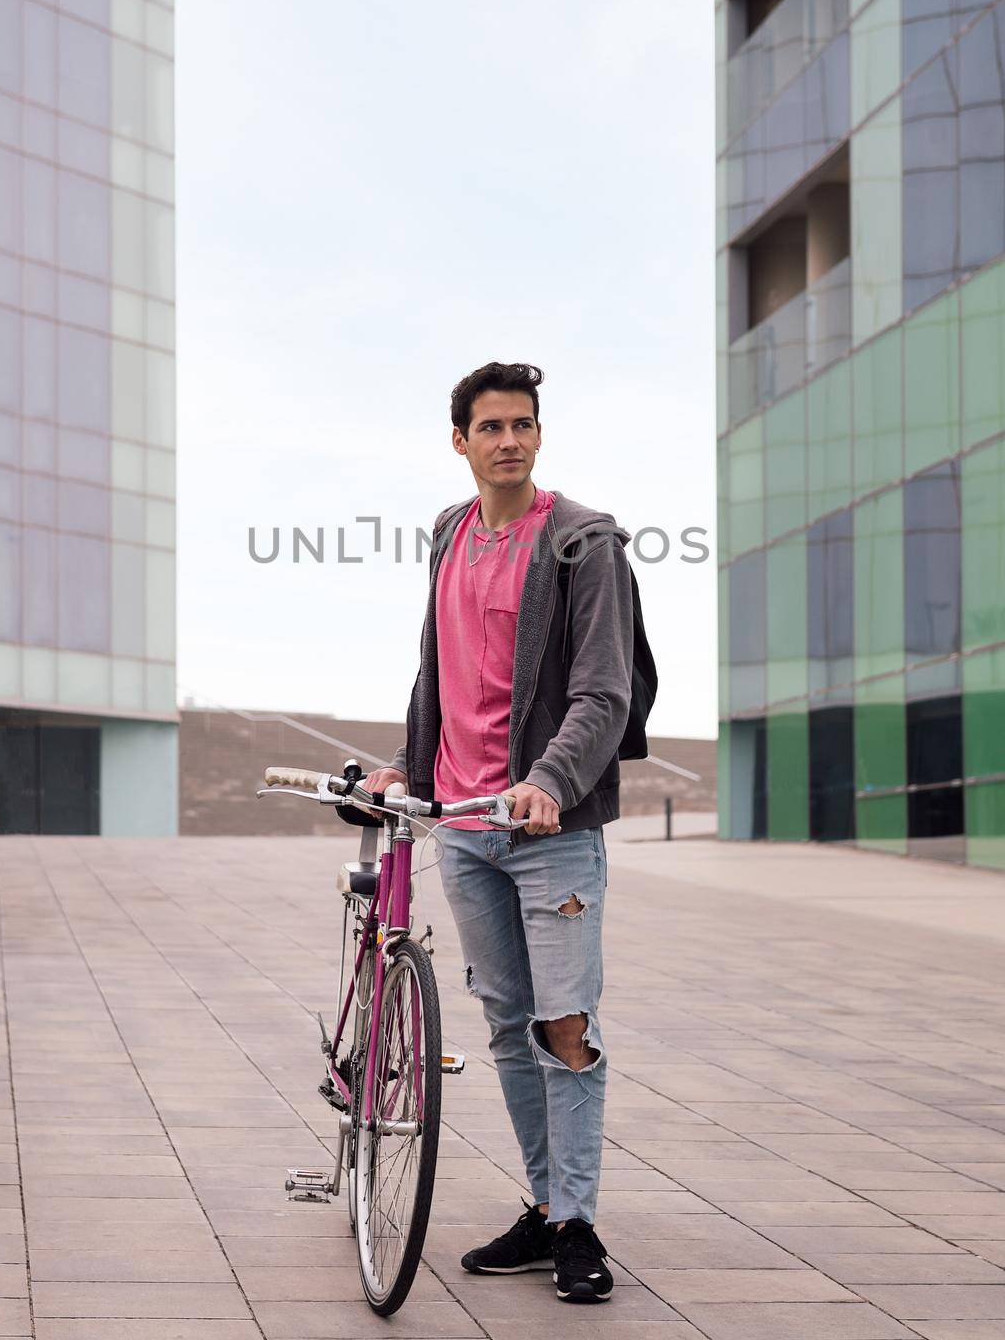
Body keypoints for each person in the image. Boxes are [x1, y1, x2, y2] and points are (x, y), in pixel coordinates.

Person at [366, 360, 636, 1305]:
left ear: (537, 435)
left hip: (547, 830)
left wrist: (550, 781)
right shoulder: (446, 533)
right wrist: (408, 759)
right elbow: (434, 669)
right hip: (462, 827)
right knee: (507, 1028)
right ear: (460, 441)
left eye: (523, 424)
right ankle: (542, 1205)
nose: (509, 439)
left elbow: (607, 689)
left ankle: (576, 1223)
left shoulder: (580, 541)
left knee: (564, 1028)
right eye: (491, 427)